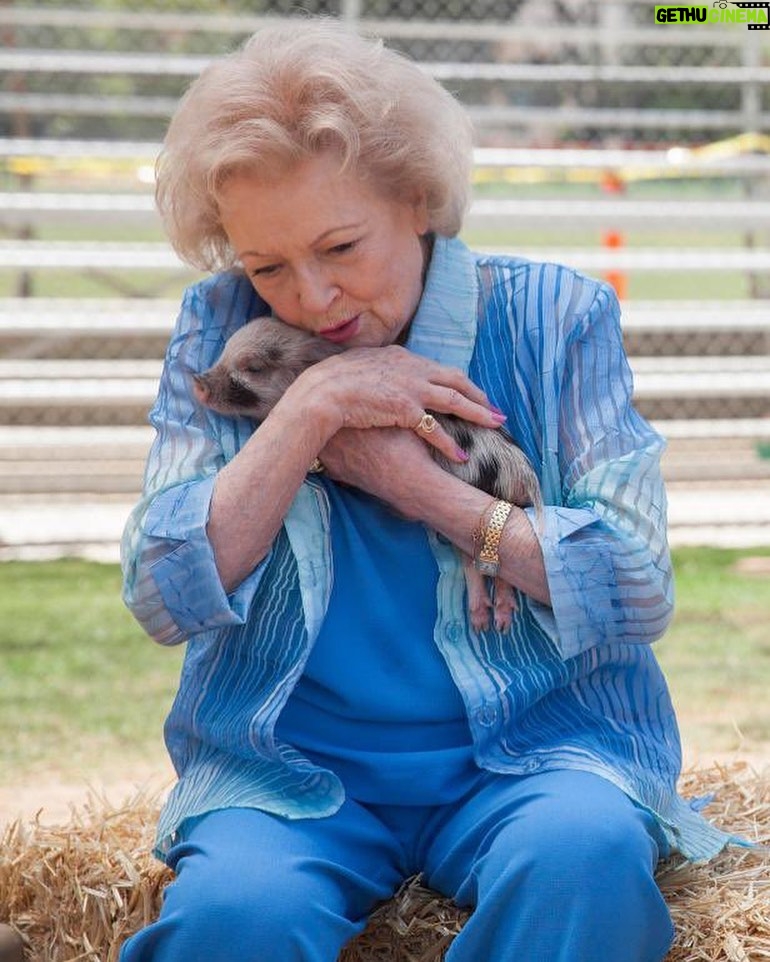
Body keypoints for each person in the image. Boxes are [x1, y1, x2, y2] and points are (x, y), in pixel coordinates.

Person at [119, 18, 738, 962]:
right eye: (267, 266)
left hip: (540, 751)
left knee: (579, 861)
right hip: (289, 772)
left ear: (417, 199)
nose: (313, 299)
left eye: (341, 246)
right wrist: (308, 414)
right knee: (231, 922)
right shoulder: (218, 330)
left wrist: (422, 488)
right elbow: (161, 595)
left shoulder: (555, 316)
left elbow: (639, 587)